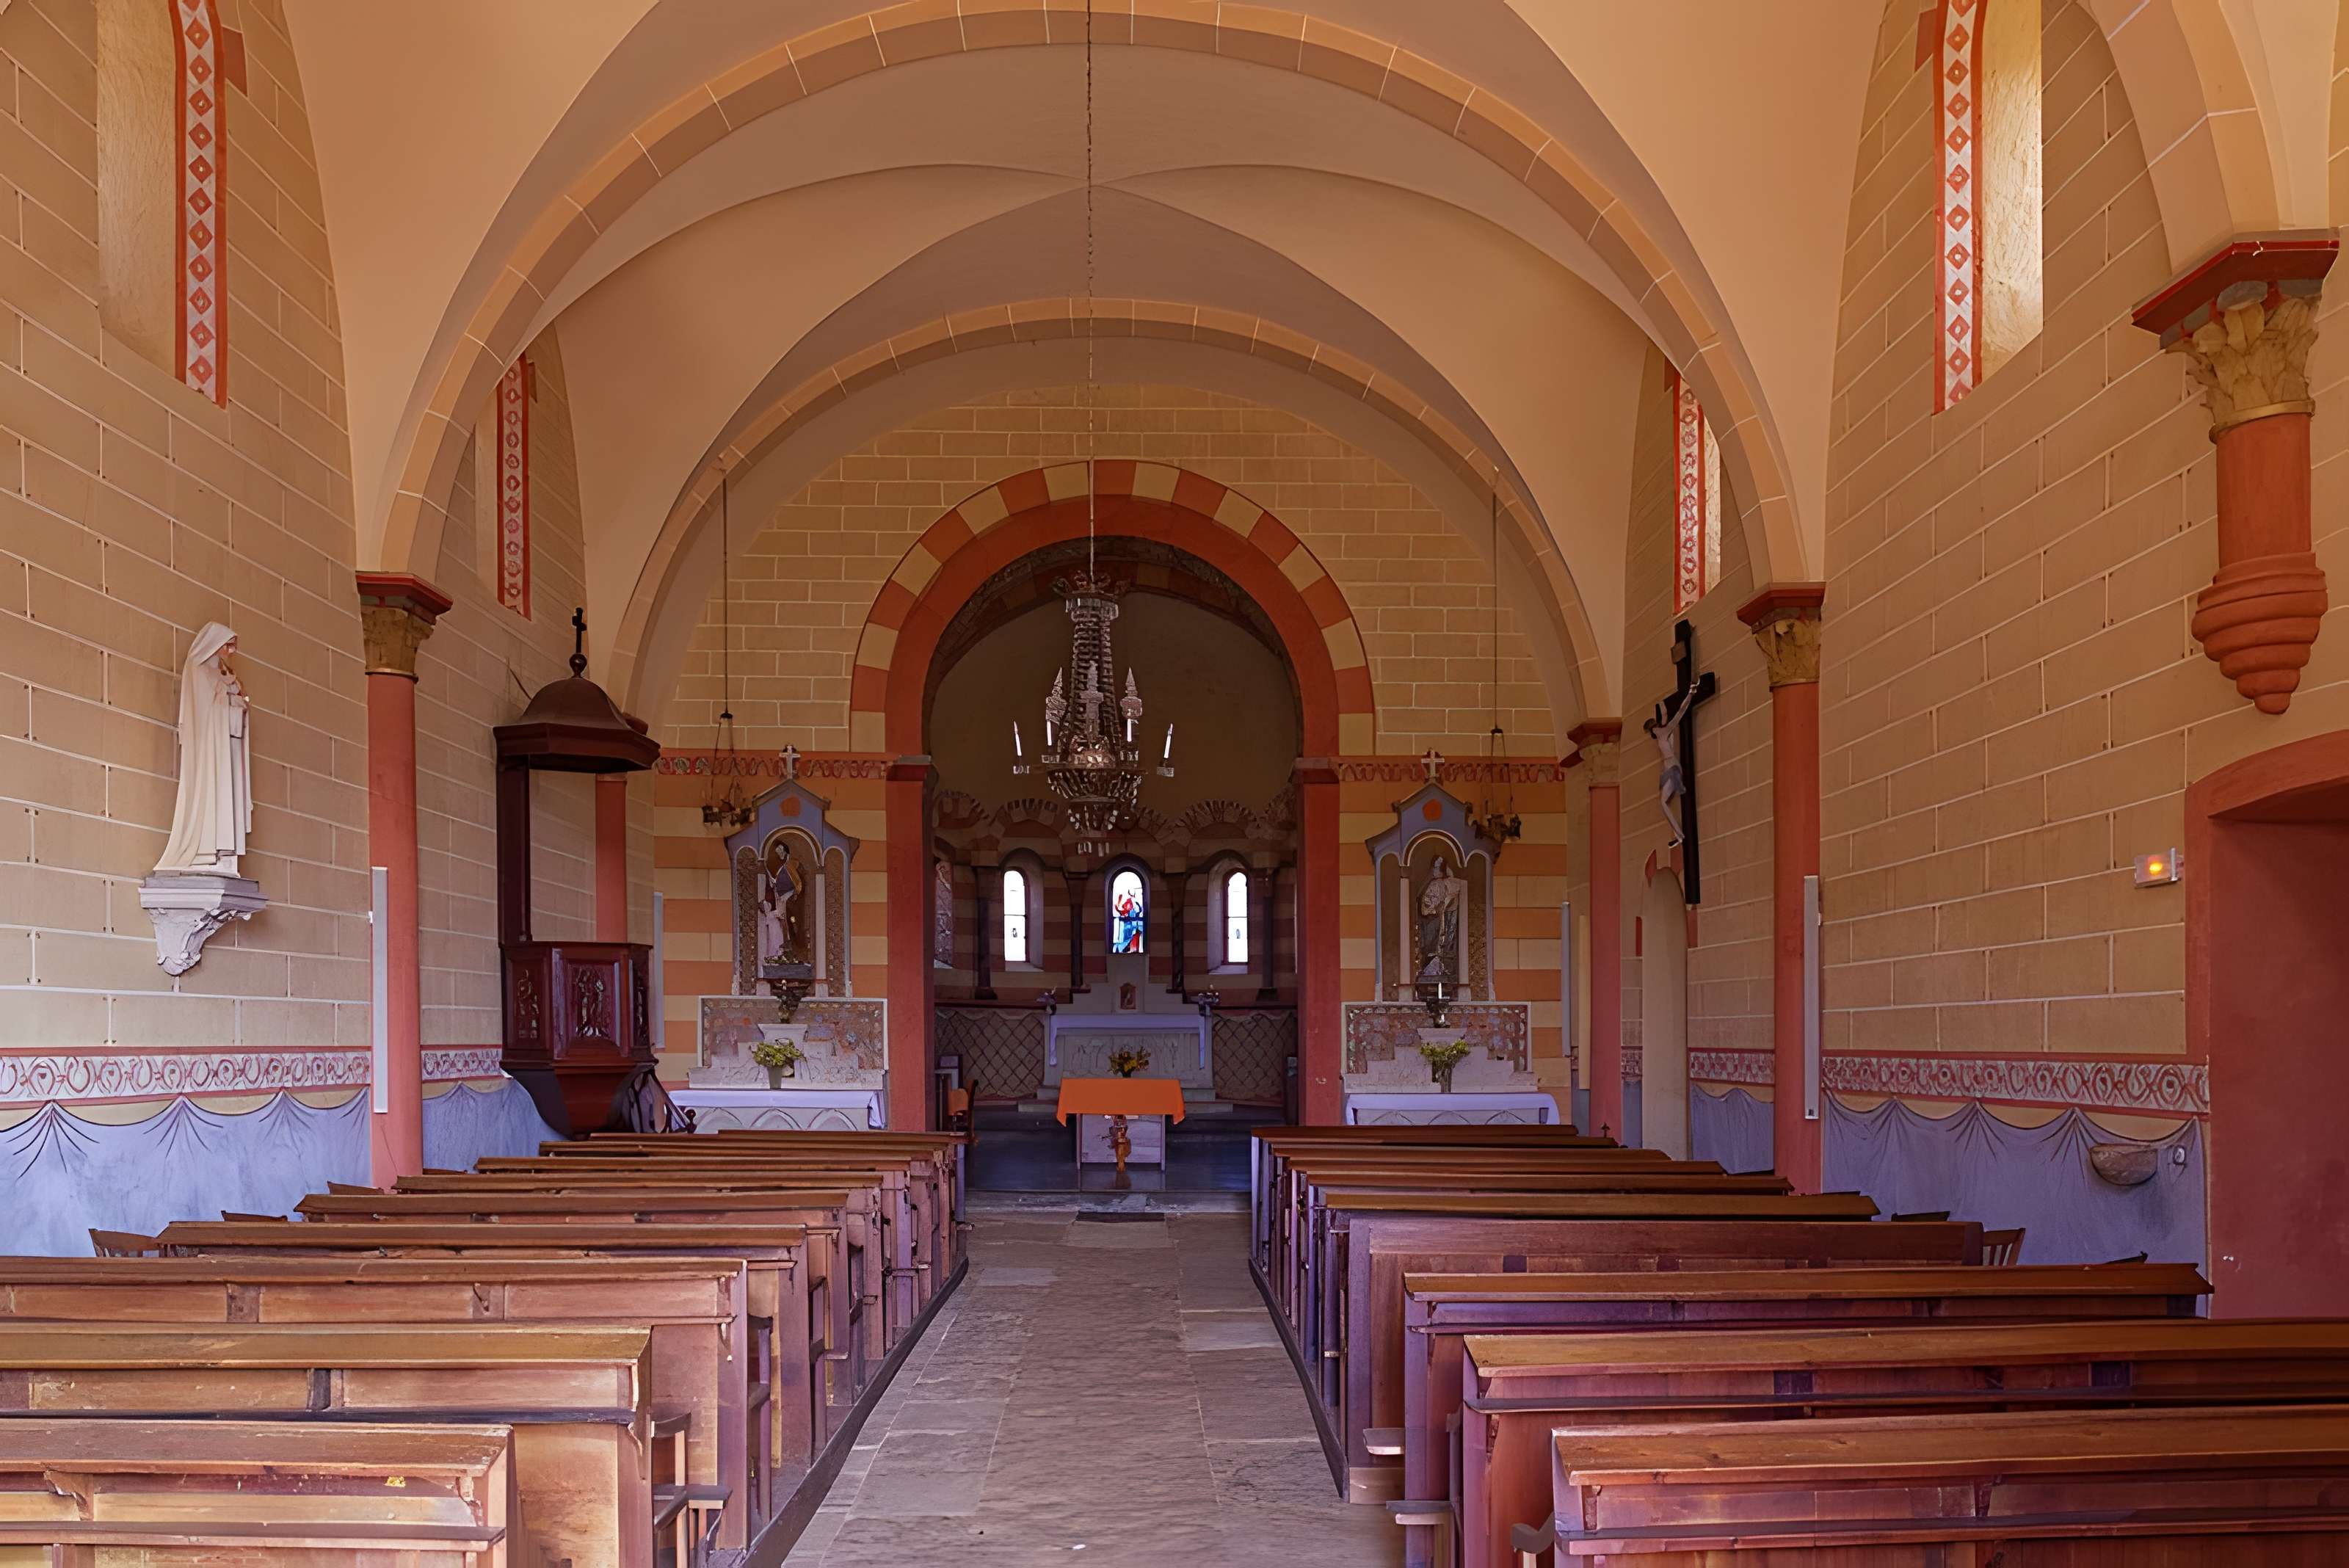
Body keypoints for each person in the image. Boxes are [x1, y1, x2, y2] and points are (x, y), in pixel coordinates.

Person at [154, 623, 253, 877]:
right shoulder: (198, 671)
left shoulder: (224, 676)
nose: (230, 652)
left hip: (225, 746)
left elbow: (228, 703)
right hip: (209, 747)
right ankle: (205, 850)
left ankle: (222, 852)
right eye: (227, 646)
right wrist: (231, 702)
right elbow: (205, 712)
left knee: (226, 789)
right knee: (210, 790)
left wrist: (237, 703)